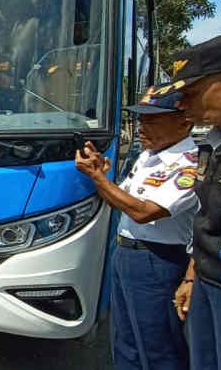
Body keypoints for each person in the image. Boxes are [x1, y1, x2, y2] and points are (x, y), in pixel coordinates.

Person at [76, 87, 198, 370]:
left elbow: (143, 212)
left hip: (158, 260)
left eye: (153, 121)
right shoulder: (149, 156)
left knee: (157, 346)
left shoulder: (188, 163)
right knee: (125, 340)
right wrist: (102, 178)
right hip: (127, 254)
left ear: (185, 121)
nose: (142, 128)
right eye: (141, 121)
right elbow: (123, 201)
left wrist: (98, 178)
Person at [159, 34, 221, 370]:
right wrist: (192, 277)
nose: (180, 104)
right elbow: (206, 219)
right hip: (209, 285)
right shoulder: (215, 143)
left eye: (189, 93)